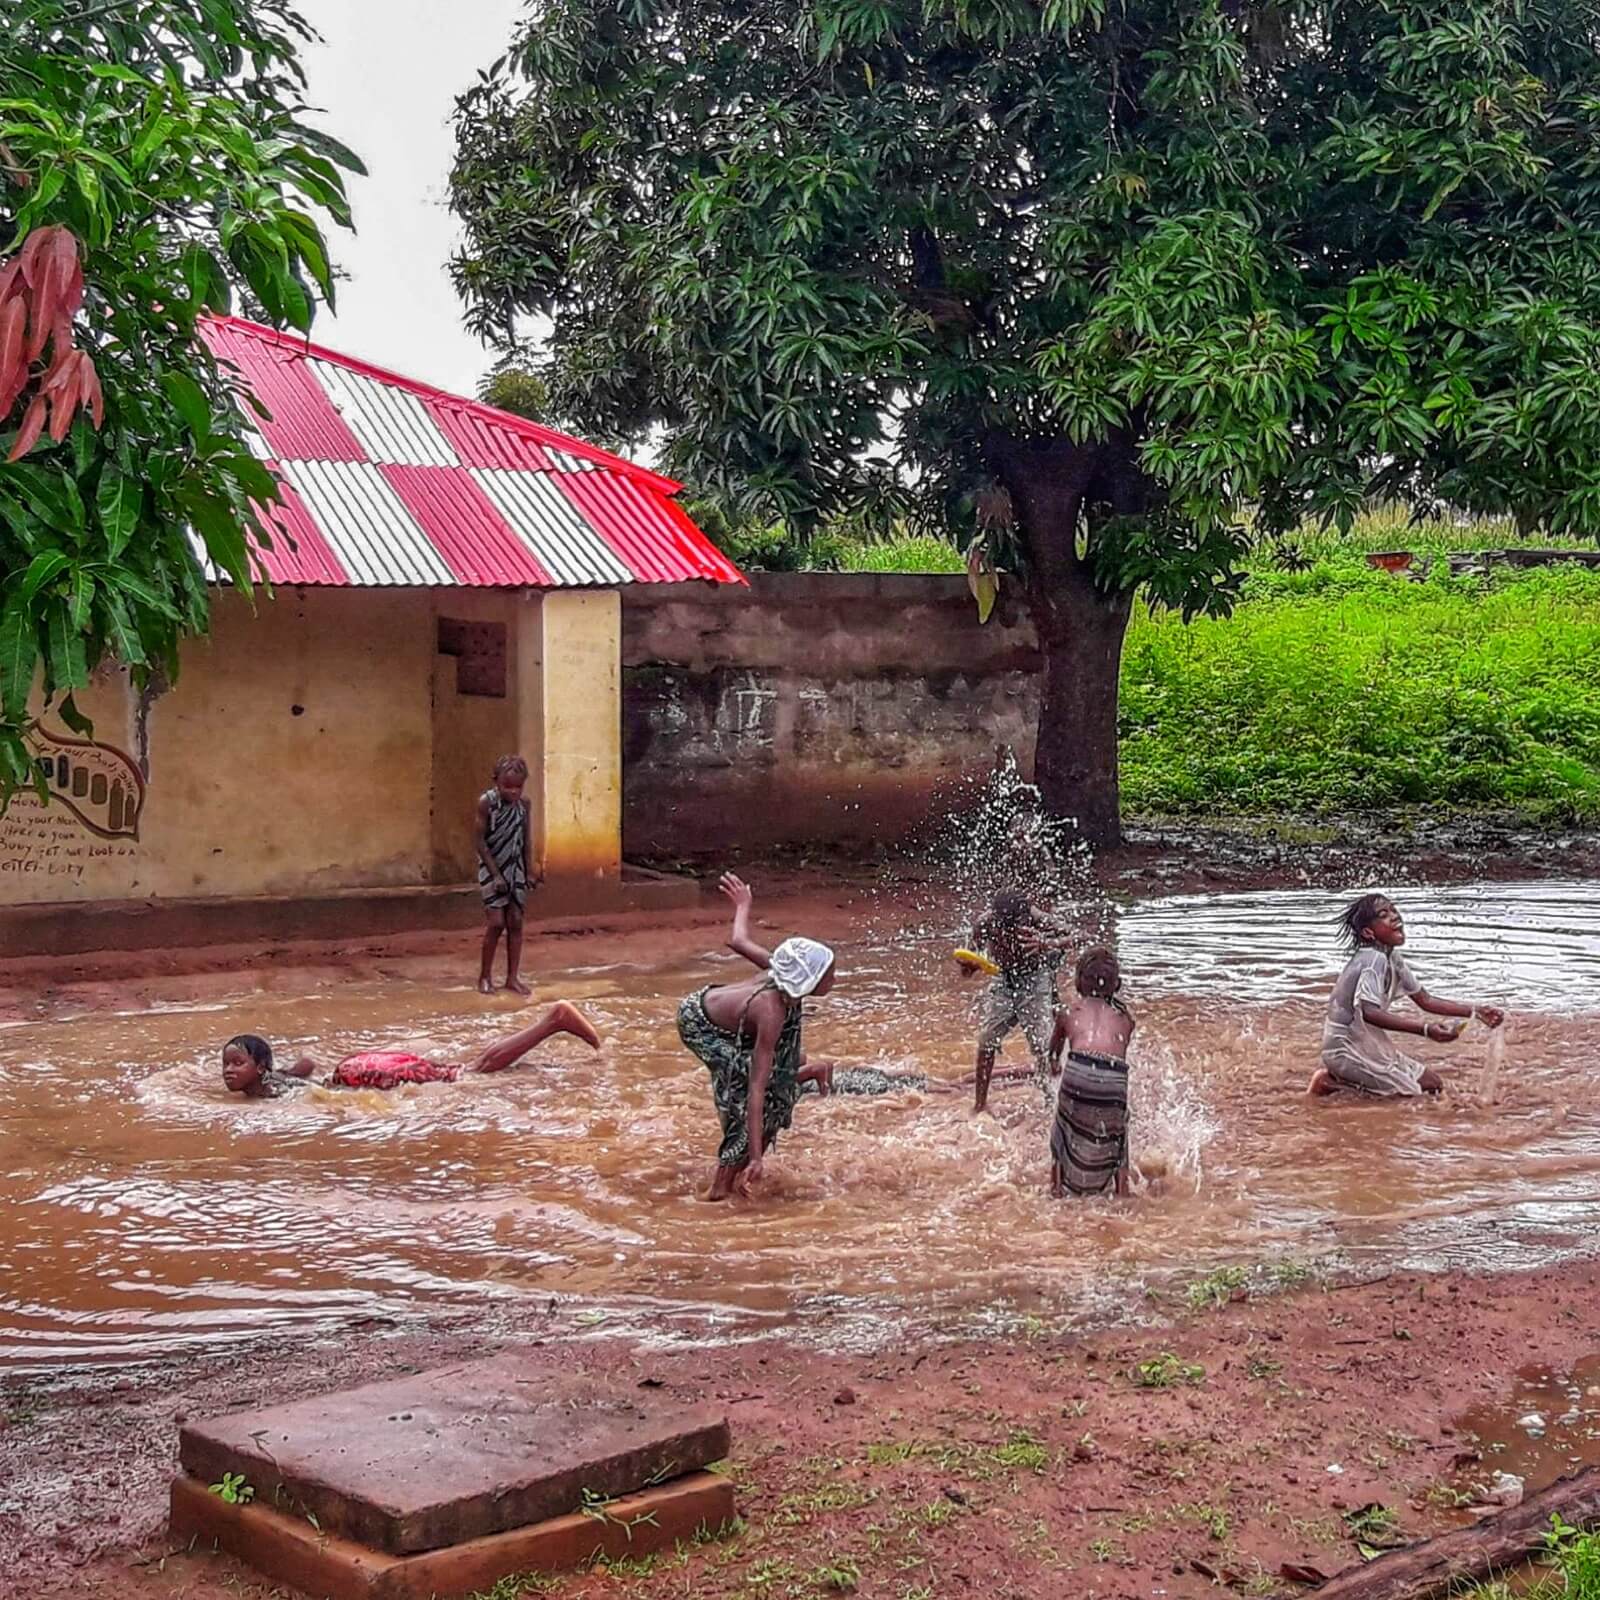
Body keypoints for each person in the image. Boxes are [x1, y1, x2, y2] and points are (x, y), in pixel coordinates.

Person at [677, 873, 836, 1200]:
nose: (834, 978)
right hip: (699, 1024)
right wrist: (757, 1156)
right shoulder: (771, 1011)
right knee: (748, 1094)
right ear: (808, 980)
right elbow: (755, 1089)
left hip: (723, 1013)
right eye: (828, 974)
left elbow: (738, 941)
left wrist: (743, 904)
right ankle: (721, 1187)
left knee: (789, 1063)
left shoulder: (784, 976)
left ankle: (807, 1070)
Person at [1311, 893, 1504, 1098]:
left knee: (1431, 1085)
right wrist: (1426, 1030)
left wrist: (1476, 1011)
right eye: (1384, 915)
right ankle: (1327, 1084)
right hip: (1345, 1048)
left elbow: (1425, 1000)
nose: (1395, 916)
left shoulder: (1391, 956)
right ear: (1368, 932)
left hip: (1367, 1041)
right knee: (1408, 1099)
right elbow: (1370, 1012)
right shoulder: (1373, 959)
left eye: (1393, 910)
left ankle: (1344, 1085)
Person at [220, 1001, 600, 1097]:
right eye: (226, 1065)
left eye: (238, 1063)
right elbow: (307, 1063)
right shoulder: (273, 1078)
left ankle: (554, 1020)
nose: (229, 1071)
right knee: (462, 1070)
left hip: (358, 1076)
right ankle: (547, 1039)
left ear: (260, 1067)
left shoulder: (268, 1090)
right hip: (354, 1070)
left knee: (472, 1072)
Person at [969, 888, 1072, 1113]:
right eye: (1003, 925)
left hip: (1035, 980)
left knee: (1042, 1046)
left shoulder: (1037, 918)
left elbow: (1074, 936)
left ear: (1025, 916)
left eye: (1014, 925)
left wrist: (1047, 943)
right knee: (986, 1041)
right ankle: (979, 1105)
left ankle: (1052, 1103)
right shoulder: (985, 923)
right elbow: (968, 964)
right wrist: (971, 965)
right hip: (1003, 980)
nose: (1008, 930)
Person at [1049, 946, 1135, 1198]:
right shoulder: (1126, 1019)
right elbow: (1118, 1051)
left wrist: (1054, 1065)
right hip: (1114, 1077)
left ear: (1078, 982)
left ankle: (1056, 1190)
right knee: (1118, 1133)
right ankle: (1122, 1192)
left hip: (1078, 1070)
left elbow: (1053, 1052)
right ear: (1116, 985)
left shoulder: (1068, 1013)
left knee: (1062, 1127)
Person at [475, 754, 534, 995]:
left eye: (518, 787)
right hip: (492, 868)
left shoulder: (524, 805)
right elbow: (479, 842)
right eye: (507, 786)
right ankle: (485, 976)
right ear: (496, 781)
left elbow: (526, 840)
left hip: (515, 868)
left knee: (516, 922)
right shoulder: (487, 803)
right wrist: (496, 875)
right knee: (496, 923)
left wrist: (529, 870)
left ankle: (512, 978)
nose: (513, 791)